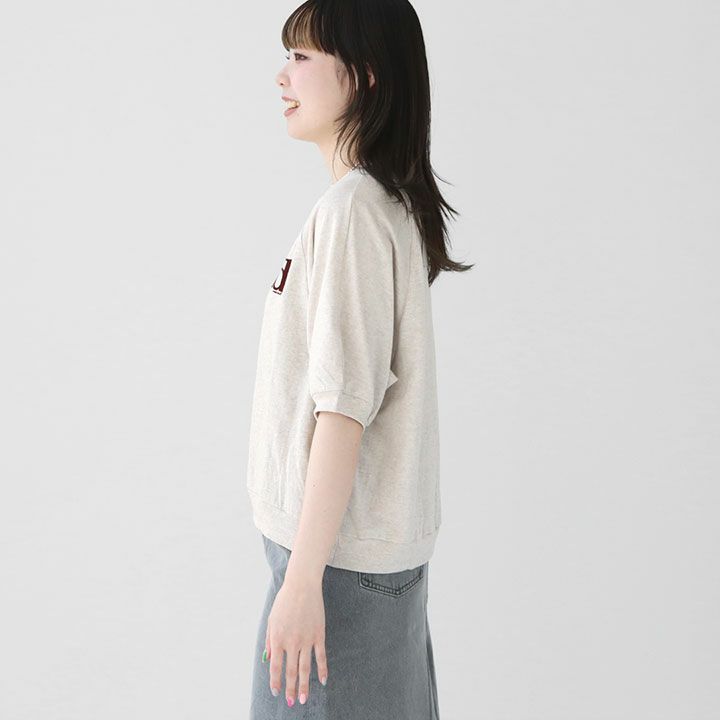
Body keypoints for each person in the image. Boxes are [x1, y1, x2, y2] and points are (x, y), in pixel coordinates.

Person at [247, 0, 473, 717]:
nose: (282, 76)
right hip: (360, 561)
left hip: (335, 565)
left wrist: (302, 582)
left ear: (365, 75)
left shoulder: (352, 212)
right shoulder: (383, 205)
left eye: (302, 57)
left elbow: (343, 408)